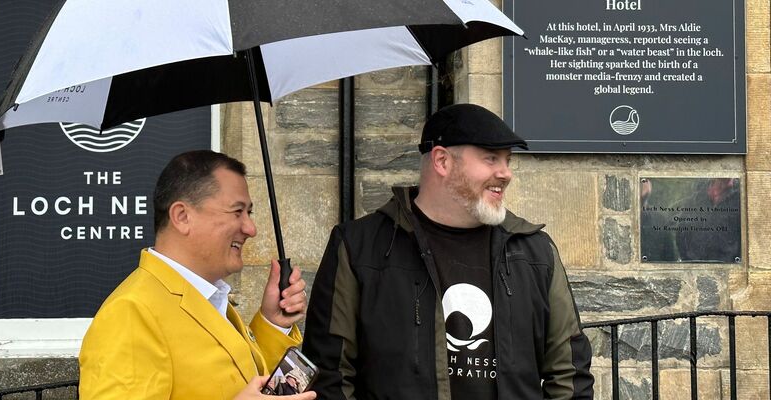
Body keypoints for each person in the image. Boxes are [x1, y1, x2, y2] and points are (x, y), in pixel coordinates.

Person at [303, 104, 594, 399]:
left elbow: (569, 374)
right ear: (442, 160)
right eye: (491, 158)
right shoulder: (358, 247)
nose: (505, 173)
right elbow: (331, 377)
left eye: (507, 160)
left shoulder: (535, 251)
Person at [79, 150, 316, 400]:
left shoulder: (207, 297)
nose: (250, 228)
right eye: (237, 212)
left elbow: (243, 380)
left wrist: (272, 322)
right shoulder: (131, 312)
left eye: (249, 213)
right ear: (182, 217)